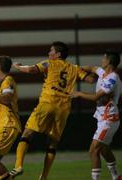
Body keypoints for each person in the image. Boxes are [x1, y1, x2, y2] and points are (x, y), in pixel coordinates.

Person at [10, 41, 95, 180]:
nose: (49, 53)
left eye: (51, 51)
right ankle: (44, 176)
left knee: (27, 133)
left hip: (47, 103)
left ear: (58, 54)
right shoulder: (74, 68)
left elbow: (30, 70)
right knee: (53, 142)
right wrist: (91, 68)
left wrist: (17, 66)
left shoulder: (50, 63)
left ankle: (18, 166)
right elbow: (91, 80)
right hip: (63, 109)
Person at [72, 50, 122, 180]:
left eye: (104, 58)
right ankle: (117, 177)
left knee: (93, 150)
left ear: (109, 61)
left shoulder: (112, 78)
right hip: (103, 118)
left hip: (109, 118)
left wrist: (79, 93)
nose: (102, 60)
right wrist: (76, 68)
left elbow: (96, 97)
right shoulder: (103, 73)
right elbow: (93, 68)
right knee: (104, 149)